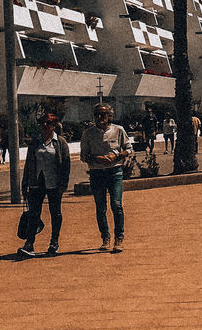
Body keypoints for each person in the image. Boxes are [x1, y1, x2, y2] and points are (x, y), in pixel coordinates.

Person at [18, 114, 71, 257]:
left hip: (54, 183)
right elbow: (29, 164)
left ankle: (54, 242)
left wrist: (63, 184)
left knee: (55, 213)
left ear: (54, 125)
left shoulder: (60, 143)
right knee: (34, 213)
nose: (44, 126)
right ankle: (29, 244)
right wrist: (25, 184)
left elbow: (66, 165)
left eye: (48, 123)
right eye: (42, 123)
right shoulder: (35, 142)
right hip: (36, 183)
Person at [81, 103, 129, 252]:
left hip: (115, 172)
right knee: (101, 207)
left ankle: (119, 238)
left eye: (103, 114)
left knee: (116, 204)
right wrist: (97, 159)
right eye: (97, 115)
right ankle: (105, 238)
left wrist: (116, 156)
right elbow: (84, 156)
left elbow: (128, 149)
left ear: (110, 116)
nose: (100, 118)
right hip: (97, 173)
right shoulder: (88, 134)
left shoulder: (118, 130)